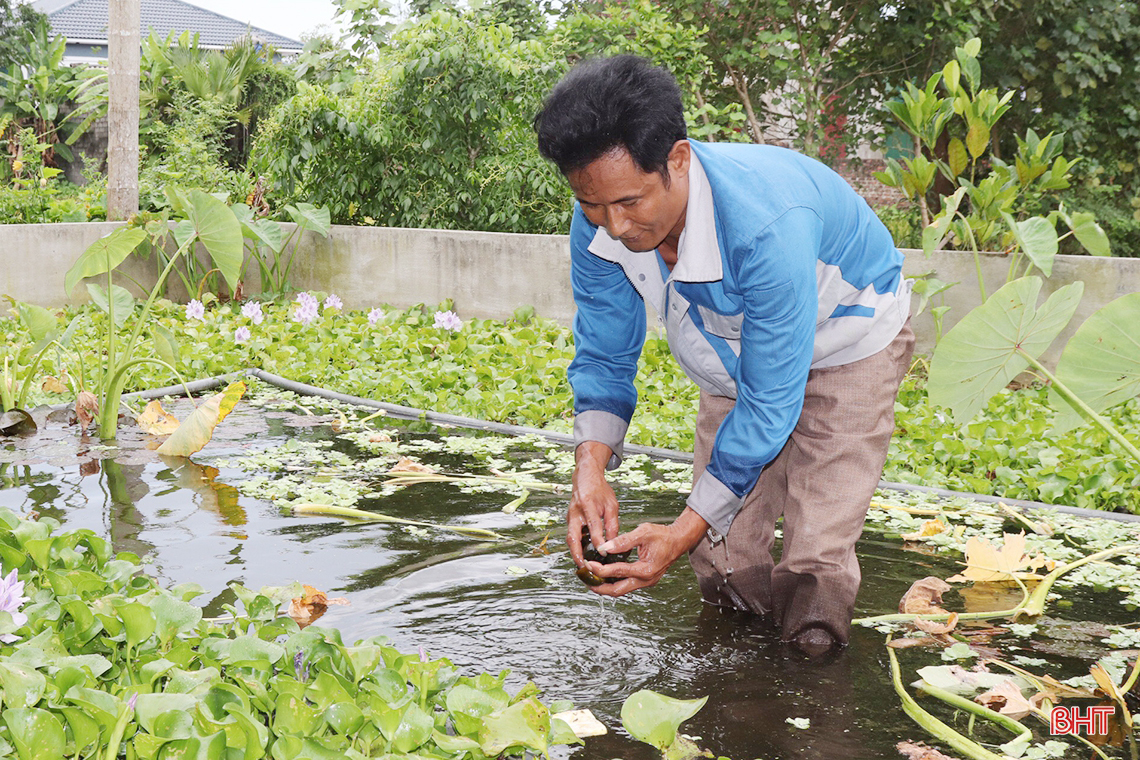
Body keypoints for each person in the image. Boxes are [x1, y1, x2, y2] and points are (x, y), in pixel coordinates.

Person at [534, 55, 914, 654]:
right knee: (723, 556)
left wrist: (680, 530)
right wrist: (589, 468)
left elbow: (769, 404)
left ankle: (809, 684)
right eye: (592, 205)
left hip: (847, 342)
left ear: (678, 161)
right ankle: (739, 690)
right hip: (735, 350)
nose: (614, 226)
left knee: (816, 558)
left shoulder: (764, 227)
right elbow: (605, 353)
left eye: (630, 202)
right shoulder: (600, 228)